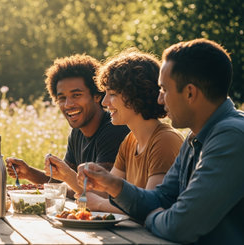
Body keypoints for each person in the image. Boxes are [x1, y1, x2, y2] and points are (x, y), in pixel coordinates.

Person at [77, 39, 244, 244]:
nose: (159, 99)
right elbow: (161, 198)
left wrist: (150, 217)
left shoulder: (232, 137)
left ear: (190, 93)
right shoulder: (195, 138)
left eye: (164, 89)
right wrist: (113, 185)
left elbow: (181, 225)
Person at [77, 49, 184, 213]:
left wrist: (98, 204)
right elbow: (107, 192)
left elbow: (150, 205)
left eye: (112, 94)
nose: (105, 102)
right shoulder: (130, 140)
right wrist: (69, 176)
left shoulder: (165, 141)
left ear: (136, 96)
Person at [6, 54, 129, 195]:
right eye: (62, 98)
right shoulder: (77, 132)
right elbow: (62, 180)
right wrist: (28, 173)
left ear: (97, 95)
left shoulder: (114, 130)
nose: (68, 104)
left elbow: (97, 189)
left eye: (76, 95)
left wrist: (63, 179)